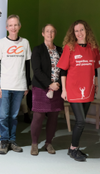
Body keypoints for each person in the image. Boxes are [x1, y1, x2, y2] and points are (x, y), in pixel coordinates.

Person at [57, 20, 100, 162]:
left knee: (81, 122)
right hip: (73, 89)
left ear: (86, 30)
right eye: (76, 31)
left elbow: (95, 69)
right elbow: (62, 70)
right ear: (73, 33)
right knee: (81, 121)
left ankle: (73, 148)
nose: (79, 33)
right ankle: (73, 148)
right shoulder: (70, 47)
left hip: (88, 89)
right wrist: (64, 90)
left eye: (81, 30)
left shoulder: (93, 48)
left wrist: (96, 84)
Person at [0, 14, 31, 155]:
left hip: (19, 85)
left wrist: (27, 84)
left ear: (19, 26)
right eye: (10, 25)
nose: (13, 27)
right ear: (6, 27)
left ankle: (12, 140)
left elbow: (27, 65)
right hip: (4, 86)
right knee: (3, 116)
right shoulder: (1, 43)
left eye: (16, 25)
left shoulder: (25, 42)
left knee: (14, 116)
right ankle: (4, 141)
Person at [30, 24, 64, 156]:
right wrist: (50, 84)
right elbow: (36, 70)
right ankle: (34, 144)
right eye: (47, 31)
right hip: (41, 87)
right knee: (38, 116)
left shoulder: (60, 50)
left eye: (52, 31)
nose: (50, 34)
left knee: (54, 117)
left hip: (57, 89)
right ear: (43, 33)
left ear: (55, 34)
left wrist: (59, 85)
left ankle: (49, 143)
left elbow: (64, 69)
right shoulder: (37, 49)